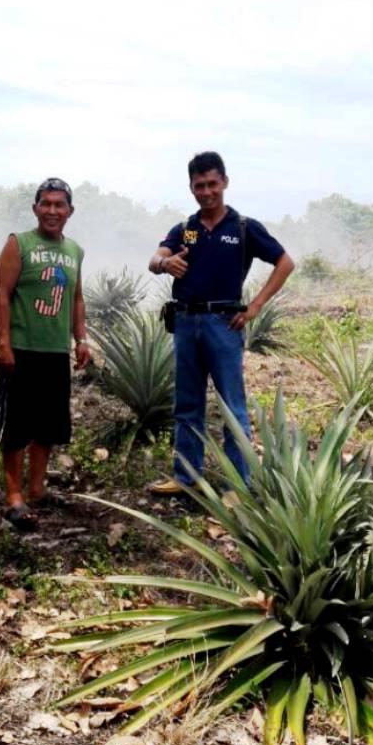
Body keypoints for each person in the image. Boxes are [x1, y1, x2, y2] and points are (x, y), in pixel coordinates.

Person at [148, 151, 294, 495]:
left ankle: (238, 487)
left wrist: (256, 305)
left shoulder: (243, 227)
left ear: (224, 182)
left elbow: (285, 263)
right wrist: (165, 264)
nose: (207, 191)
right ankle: (186, 478)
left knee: (232, 407)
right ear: (191, 188)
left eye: (212, 183)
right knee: (187, 404)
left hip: (224, 324)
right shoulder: (185, 230)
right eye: (199, 185)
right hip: (186, 323)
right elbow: (155, 259)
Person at [0, 178, 91, 530]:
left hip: (55, 351)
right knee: (17, 425)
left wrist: (81, 339)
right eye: (45, 203)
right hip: (22, 350)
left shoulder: (75, 251)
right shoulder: (19, 244)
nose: (52, 210)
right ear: (35, 208)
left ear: (70, 211)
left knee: (47, 425)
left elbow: (76, 299)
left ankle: (37, 489)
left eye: (59, 204)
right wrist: (4, 344)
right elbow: (2, 295)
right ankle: (13, 496)